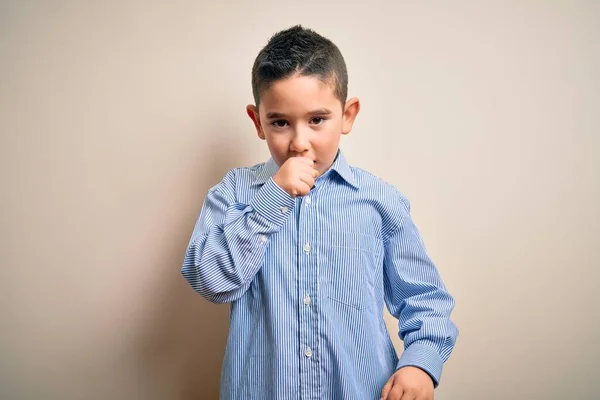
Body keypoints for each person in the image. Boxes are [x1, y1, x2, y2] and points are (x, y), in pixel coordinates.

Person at [181, 25, 458, 400]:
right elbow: (210, 280)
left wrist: (421, 364)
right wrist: (272, 198)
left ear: (347, 115)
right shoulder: (233, 194)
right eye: (280, 122)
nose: (299, 141)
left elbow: (426, 300)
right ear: (257, 121)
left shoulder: (379, 201)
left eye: (317, 120)